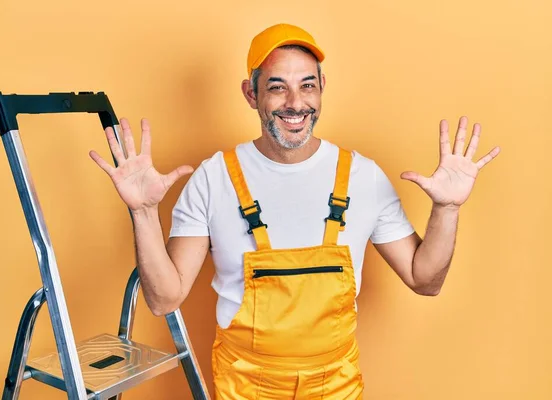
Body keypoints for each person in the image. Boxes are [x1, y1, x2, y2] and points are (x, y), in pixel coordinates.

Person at [90, 23, 500, 400]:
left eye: (307, 86)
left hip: (336, 387)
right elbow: (164, 299)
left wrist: (446, 208)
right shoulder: (214, 179)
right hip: (245, 387)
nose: (295, 103)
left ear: (322, 87)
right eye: (277, 87)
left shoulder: (363, 177)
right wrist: (143, 212)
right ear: (251, 94)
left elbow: (424, 279)